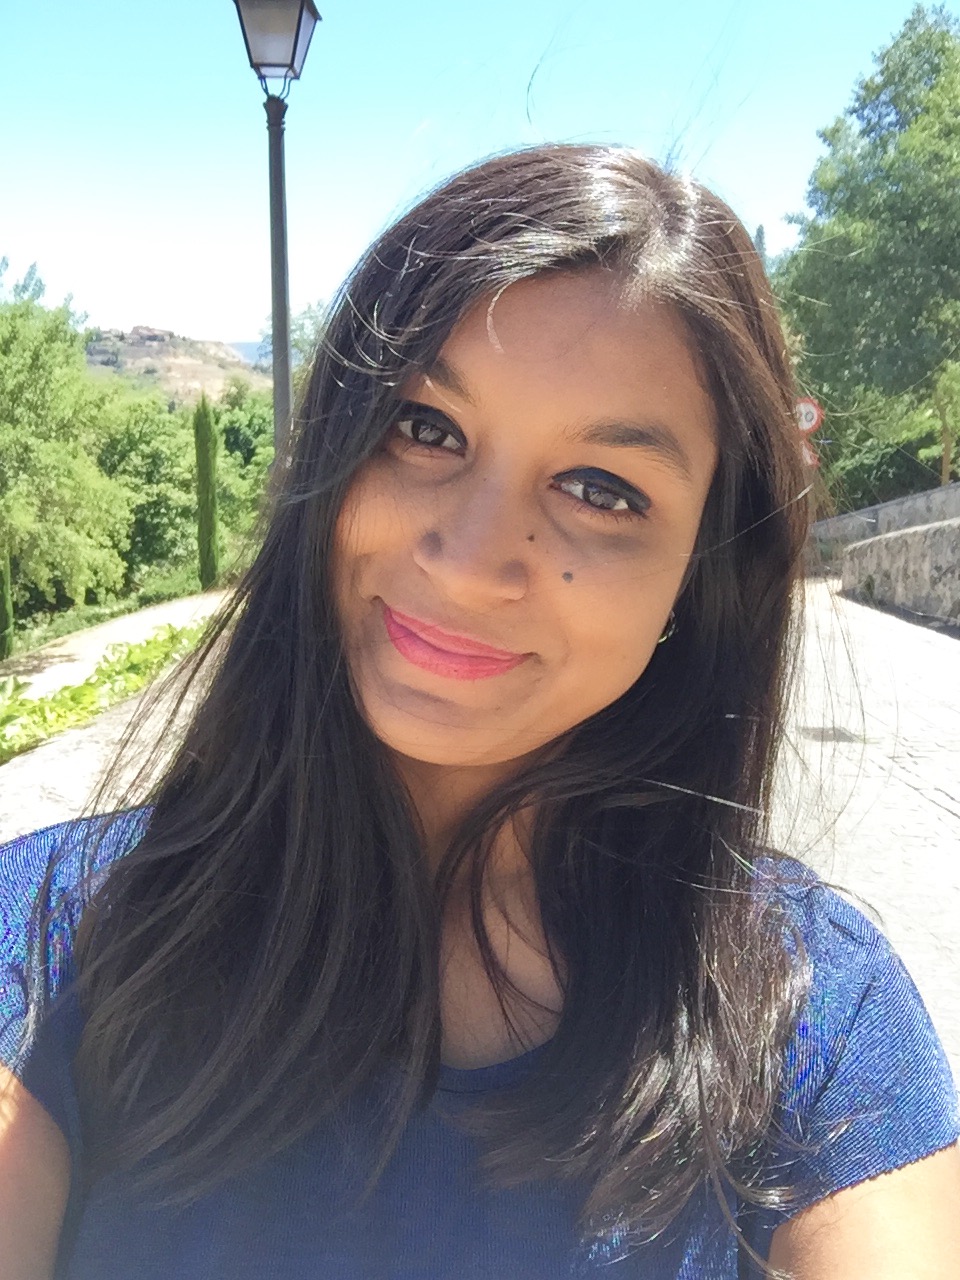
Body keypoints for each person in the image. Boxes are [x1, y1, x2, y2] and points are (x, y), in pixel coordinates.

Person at [1, 144, 958, 1280]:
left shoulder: (810, 1010)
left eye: (601, 490)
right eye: (425, 428)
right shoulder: (51, 937)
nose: (467, 560)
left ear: (701, 577)